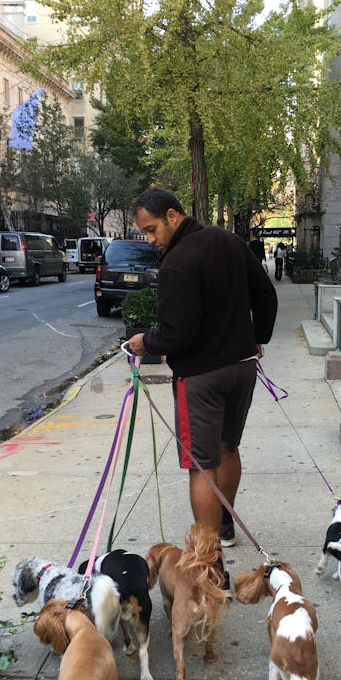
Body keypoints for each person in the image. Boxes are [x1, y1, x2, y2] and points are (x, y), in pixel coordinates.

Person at [126, 188, 278, 548]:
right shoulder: (230, 241)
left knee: (201, 464)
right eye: (145, 233)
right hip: (241, 367)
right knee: (228, 448)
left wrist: (146, 342)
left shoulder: (176, 263)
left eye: (151, 229)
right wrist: (258, 337)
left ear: (172, 215)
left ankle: (208, 558)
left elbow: (176, 333)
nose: (150, 240)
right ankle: (224, 526)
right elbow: (266, 295)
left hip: (200, 377)